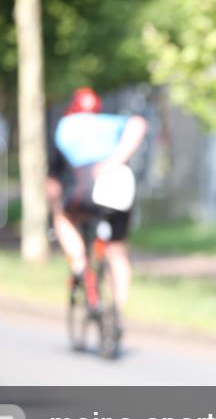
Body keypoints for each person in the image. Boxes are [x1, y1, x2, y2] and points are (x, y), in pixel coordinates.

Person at [46, 87, 147, 312]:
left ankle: (80, 263)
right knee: (117, 251)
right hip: (120, 183)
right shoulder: (109, 122)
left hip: (86, 186)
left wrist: (53, 203)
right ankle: (118, 314)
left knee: (62, 217)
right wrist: (116, 159)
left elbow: (53, 179)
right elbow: (138, 123)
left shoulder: (64, 126)